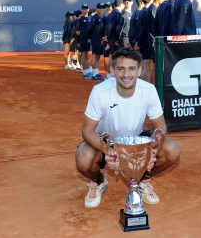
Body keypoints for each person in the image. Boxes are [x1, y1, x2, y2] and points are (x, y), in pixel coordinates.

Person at [76, 48, 180, 208]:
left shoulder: (149, 90)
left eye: (132, 68)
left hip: (136, 142)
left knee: (171, 150)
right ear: (112, 70)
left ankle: (143, 179)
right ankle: (98, 181)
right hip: (105, 142)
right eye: (120, 68)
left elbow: (160, 127)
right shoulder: (99, 91)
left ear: (139, 70)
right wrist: (109, 151)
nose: (126, 74)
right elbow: (87, 131)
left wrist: (152, 150)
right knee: (83, 158)